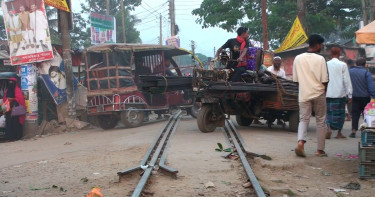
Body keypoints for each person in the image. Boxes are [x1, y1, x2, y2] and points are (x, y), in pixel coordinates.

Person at [292, 34, 329, 157]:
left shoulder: (298, 58)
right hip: (319, 93)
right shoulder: (321, 59)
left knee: (303, 119)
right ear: (318, 45)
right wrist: (325, 92)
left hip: (304, 94)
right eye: (321, 45)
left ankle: (301, 143)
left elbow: (296, 80)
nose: (321, 47)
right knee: (320, 121)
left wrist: (303, 89)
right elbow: (325, 80)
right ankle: (320, 150)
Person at [325, 47, 352, 139]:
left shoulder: (326, 64)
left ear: (331, 53)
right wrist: (350, 94)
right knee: (340, 113)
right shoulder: (343, 65)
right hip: (340, 93)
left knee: (329, 112)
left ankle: (328, 128)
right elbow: (346, 80)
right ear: (339, 53)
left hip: (328, 92)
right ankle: (339, 133)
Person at [348, 58, 375, 138]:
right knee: (366, 115)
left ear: (356, 63)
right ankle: (366, 131)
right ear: (364, 64)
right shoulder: (366, 73)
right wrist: (373, 95)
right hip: (365, 97)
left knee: (355, 114)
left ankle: (354, 130)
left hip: (354, 96)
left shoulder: (350, 72)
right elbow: (370, 87)